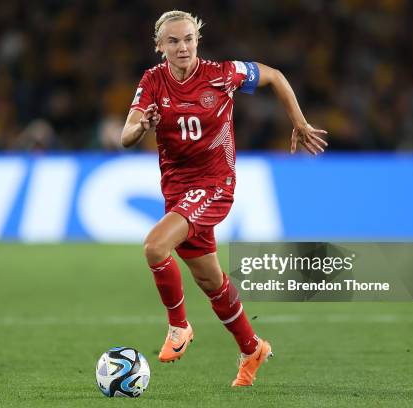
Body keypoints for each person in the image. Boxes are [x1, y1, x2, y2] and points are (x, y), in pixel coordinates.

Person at [120, 10, 327, 387]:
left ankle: (179, 327)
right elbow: (126, 135)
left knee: (154, 247)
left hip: (215, 184)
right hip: (178, 191)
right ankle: (252, 349)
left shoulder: (223, 74)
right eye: (173, 41)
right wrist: (143, 126)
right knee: (211, 281)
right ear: (159, 46)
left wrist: (298, 121)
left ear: (197, 40)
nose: (182, 47)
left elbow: (276, 77)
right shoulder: (152, 81)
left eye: (188, 39)